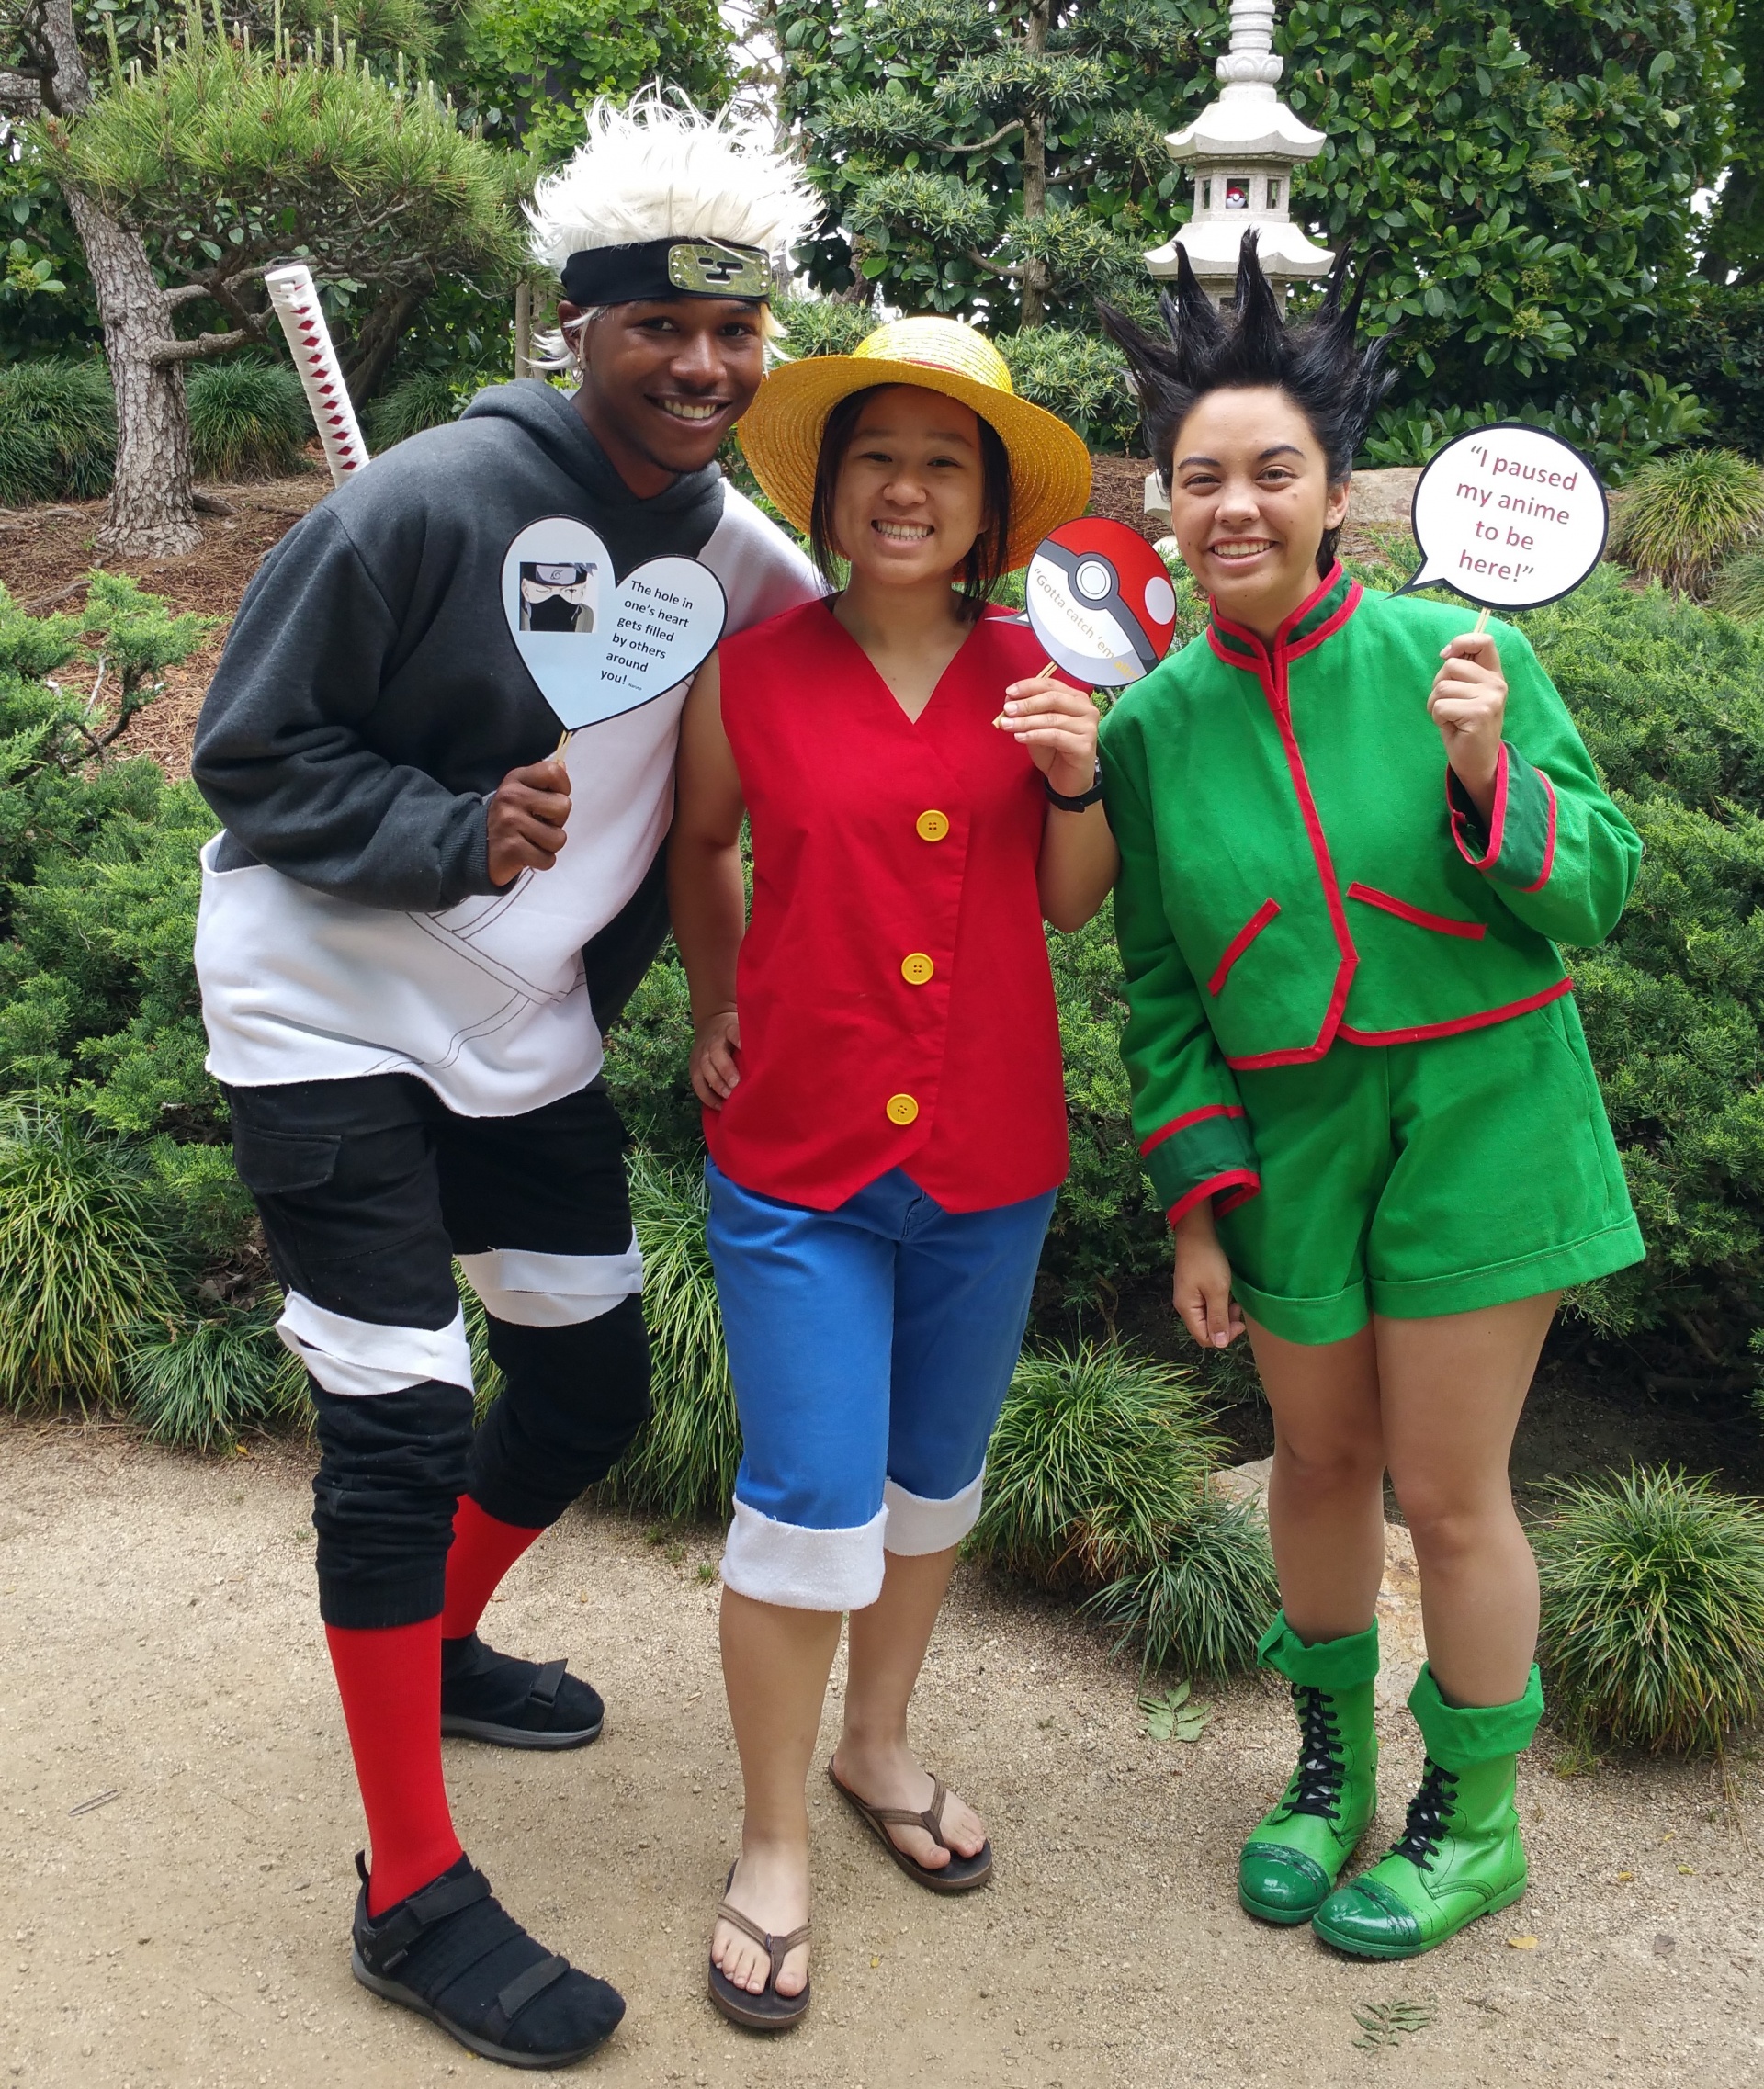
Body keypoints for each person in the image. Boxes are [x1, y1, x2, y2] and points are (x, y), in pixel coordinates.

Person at [188, 94, 823, 2068]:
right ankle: (406, 1889)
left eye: (738, 333)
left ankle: (438, 1645)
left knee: (587, 1381)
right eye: (661, 327)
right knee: (397, 1414)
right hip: (321, 1000)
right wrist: (454, 827)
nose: (704, 365)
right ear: (580, 323)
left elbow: (879, 655)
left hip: (520, 1026)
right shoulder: (418, 506)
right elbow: (250, 757)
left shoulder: (733, 549)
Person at [1096, 237, 1644, 1960]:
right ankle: (1328, 1765)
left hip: (1487, 1107)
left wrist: (1489, 767)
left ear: (1338, 492)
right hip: (1288, 1138)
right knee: (1318, 1460)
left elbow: (1601, 884)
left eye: (1275, 471)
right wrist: (1194, 1192)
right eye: (1202, 478)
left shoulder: (1454, 650)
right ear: (1165, 505)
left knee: (1453, 1485)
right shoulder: (1150, 727)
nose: (1235, 505)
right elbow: (1164, 984)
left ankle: (1473, 1818)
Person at [668, 317, 1115, 2028]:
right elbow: (704, 842)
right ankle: (772, 1839)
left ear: (989, 501)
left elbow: (1075, 898)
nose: (908, 489)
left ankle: (876, 1745)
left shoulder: (1041, 668)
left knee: (931, 1482)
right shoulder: (759, 666)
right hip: (800, 1155)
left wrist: (1076, 768)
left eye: (945, 462)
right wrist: (714, 998)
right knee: (805, 1502)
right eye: (879, 458)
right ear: (831, 489)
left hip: (991, 1153)